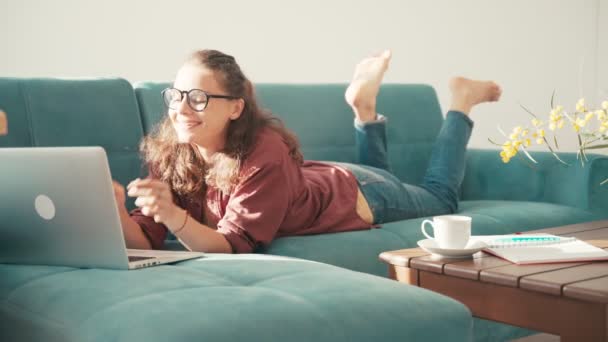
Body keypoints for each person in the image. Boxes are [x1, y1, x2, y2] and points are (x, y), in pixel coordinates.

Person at [112, 49, 501, 254]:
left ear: (235, 107)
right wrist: (113, 210)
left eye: (197, 97)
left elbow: (232, 244)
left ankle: (461, 103)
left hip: (361, 194)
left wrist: (175, 217)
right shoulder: (171, 150)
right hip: (317, 178)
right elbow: (145, 238)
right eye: (176, 95)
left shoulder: (264, 151)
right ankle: (364, 111)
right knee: (398, 180)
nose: (180, 108)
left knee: (441, 198)